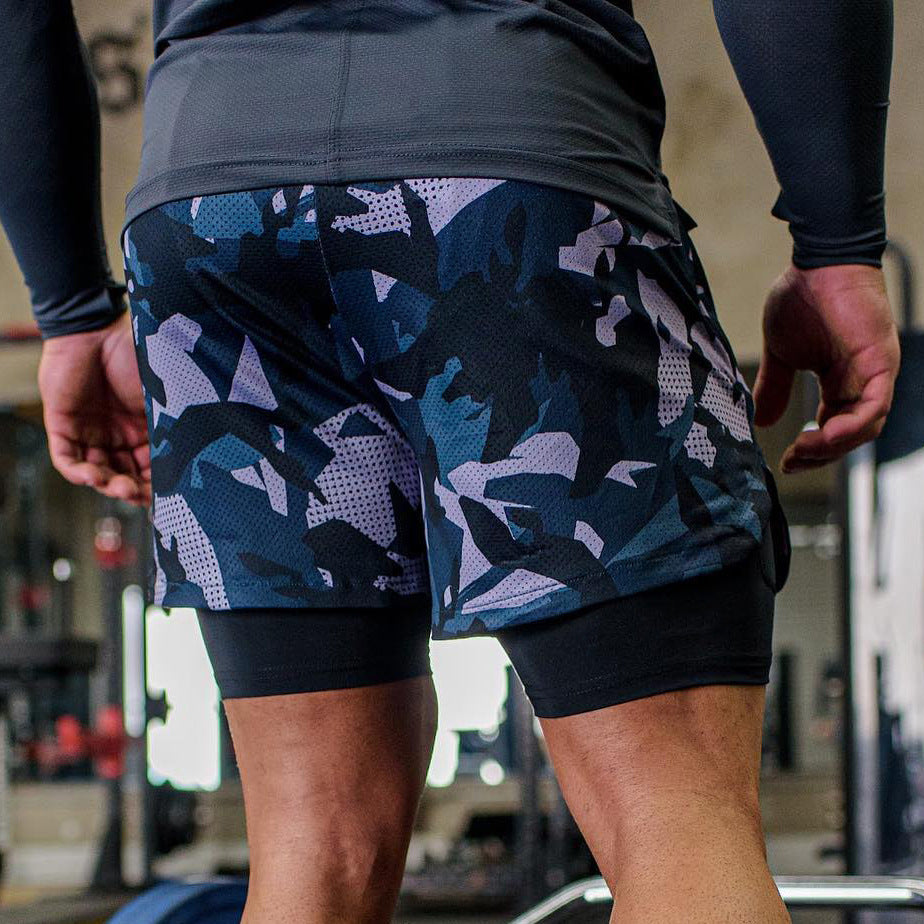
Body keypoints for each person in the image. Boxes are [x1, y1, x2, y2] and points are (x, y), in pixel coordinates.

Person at [0, 0, 900, 921]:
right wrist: (837, 248)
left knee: (313, 847)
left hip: (209, 214)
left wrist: (71, 307)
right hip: (508, 162)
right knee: (672, 813)